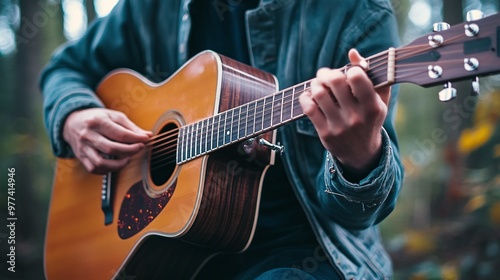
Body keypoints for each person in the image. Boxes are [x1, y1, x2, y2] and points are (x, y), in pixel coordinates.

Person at [40, 0, 404, 279]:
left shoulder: (356, 11)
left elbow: (360, 217)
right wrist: (74, 116)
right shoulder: (152, 7)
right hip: (167, 257)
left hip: (300, 253)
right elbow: (66, 68)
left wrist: (359, 160)